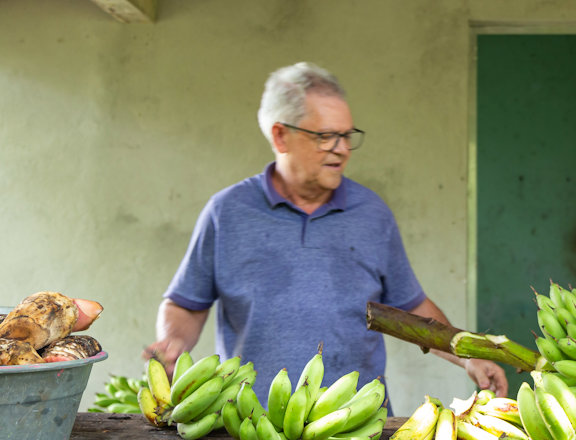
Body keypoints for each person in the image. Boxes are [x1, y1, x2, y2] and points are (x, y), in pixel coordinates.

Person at [143, 62, 508, 410]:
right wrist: (174, 341)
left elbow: (411, 309)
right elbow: (186, 303)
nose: (342, 149)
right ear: (280, 135)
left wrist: (470, 356)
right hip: (252, 421)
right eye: (325, 137)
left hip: (357, 420)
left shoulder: (372, 214)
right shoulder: (227, 212)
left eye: (347, 136)